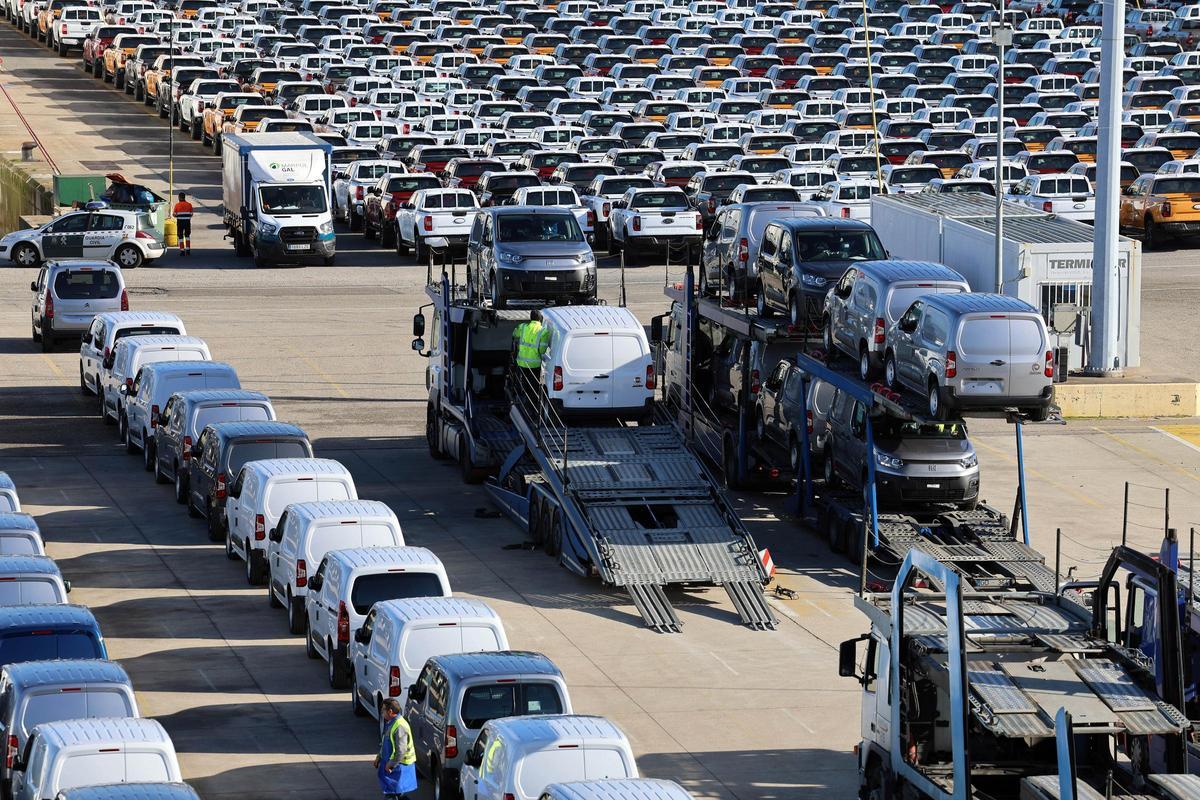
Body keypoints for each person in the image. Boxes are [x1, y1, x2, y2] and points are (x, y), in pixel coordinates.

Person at [374, 698, 417, 800]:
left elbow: (401, 751)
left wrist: (391, 764)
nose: (382, 712)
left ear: (390, 711)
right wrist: (379, 757)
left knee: (392, 794)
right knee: (397, 794)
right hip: (392, 766)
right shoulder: (391, 723)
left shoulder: (399, 726)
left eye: (383, 710)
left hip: (399, 767)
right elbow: (385, 742)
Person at [173, 192, 193, 256]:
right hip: (187, 222)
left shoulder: (177, 205)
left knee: (180, 236)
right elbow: (191, 214)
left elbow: (174, 214)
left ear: (179, 197)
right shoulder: (189, 205)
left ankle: (182, 251)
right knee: (187, 236)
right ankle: (188, 250)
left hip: (180, 222)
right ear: (184, 197)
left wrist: (178, 216)